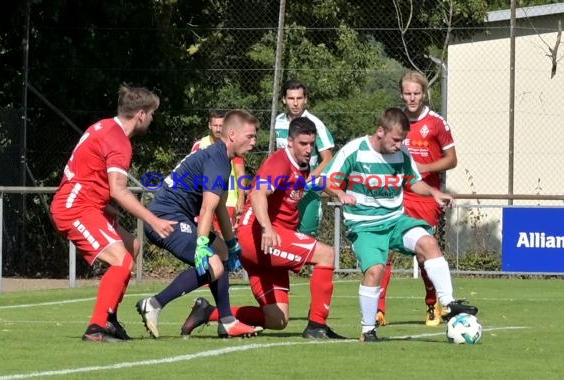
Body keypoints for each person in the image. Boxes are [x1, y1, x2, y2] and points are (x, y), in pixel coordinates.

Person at [179, 117, 346, 340]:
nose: (308, 149)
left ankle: (209, 312)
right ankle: (317, 325)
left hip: (269, 241)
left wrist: (339, 192)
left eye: (311, 144)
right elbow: (257, 193)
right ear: (290, 142)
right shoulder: (280, 162)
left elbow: (315, 183)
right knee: (327, 255)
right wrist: (267, 228)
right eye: (303, 144)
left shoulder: (302, 165)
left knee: (277, 320)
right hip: (259, 237)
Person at [322, 107, 477, 342]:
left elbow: (414, 182)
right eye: (395, 140)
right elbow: (326, 180)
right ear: (380, 131)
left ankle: (448, 304)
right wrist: (340, 193)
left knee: (428, 242)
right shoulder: (355, 150)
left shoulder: (402, 153)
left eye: (402, 140)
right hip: (365, 226)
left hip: (395, 221)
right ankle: (368, 329)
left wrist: (434, 192)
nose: (399, 144)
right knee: (375, 271)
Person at [50, 84, 177, 342]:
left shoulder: (104, 126)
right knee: (122, 260)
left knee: (132, 247)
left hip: (85, 203)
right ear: (141, 114)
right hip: (75, 208)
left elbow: (86, 172)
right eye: (152, 113)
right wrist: (154, 220)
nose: (152, 119)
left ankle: (109, 319)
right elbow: (119, 189)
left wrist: (103, 204)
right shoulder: (119, 141)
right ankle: (97, 327)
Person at [135, 110, 262, 338]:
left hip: (176, 217)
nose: (254, 142)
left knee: (221, 252)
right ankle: (154, 304)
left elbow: (220, 206)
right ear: (232, 134)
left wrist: (231, 244)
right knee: (213, 264)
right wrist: (202, 243)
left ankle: (227, 321)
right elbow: (206, 210)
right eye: (250, 136)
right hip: (165, 219)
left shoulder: (222, 158)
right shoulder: (218, 161)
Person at [376, 71, 459, 328]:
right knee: (385, 250)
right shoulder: (395, 121)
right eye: (407, 93)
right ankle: (379, 309)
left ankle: (433, 301)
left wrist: (425, 167)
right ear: (401, 94)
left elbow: (452, 159)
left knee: (424, 254)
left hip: (425, 197)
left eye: (416, 93)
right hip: (396, 194)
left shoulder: (436, 123)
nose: (412, 98)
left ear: (424, 93)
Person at [275, 79, 334, 236]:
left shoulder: (315, 124)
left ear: (305, 100)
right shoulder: (278, 122)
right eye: (291, 98)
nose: (295, 103)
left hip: (308, 188)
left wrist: (310, 177)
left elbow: (328, 158)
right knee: (283, 234)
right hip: (284, 187)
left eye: (299, 98)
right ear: (284, 100)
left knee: (306, 237)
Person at [191, 110, 247, 234]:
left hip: (227, 201)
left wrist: (241, 198)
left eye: (221, 126)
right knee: (200, 237)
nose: (218, 129)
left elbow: (240, 173)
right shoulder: (200, 145)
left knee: (225, 239)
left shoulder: (232, 145)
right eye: (215, 125)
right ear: (209, 125)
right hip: (203, 201)